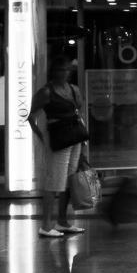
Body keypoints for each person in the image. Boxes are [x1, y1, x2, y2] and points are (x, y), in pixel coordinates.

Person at [29, 63, 87, 238]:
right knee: (55, 180)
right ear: (53, 72)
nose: (63, 73)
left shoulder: (72, 88)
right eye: (60, 69)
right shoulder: (46, 92)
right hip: (58, 137)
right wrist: (42, 136)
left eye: (65, 70)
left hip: (73, 135)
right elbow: (31, 116)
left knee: (70, 179)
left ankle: (62, 220)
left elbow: (78, 108)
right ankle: (46, 225)